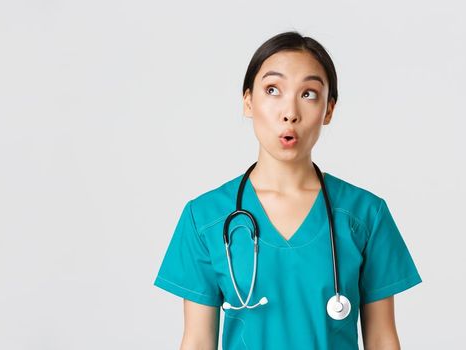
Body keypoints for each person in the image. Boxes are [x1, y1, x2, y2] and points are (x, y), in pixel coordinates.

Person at [153, 31, 422, 349]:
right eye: (272, 90)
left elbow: (382, 339)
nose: (290, 112)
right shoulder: (205, 218)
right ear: (248, 101)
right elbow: (197, 341)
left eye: (308, 94)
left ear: (329, 110)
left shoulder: (365, 215)